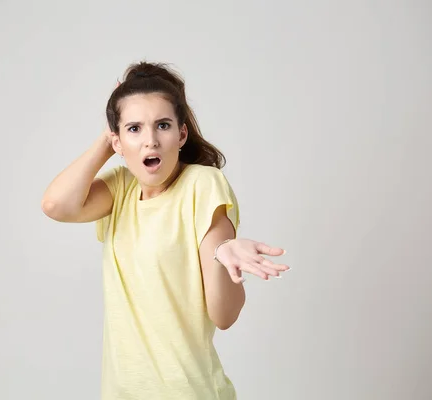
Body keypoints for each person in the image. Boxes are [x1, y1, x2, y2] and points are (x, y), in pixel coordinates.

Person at [41, 61, 289, 399]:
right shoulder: (120, 189)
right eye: (134, 129)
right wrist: (108, 135)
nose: (151, 141)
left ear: (181, 134)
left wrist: (221, 254)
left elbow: (225, 315)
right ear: (117, 141)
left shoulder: (202, 184)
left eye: (162, 125)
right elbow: (56, 206)